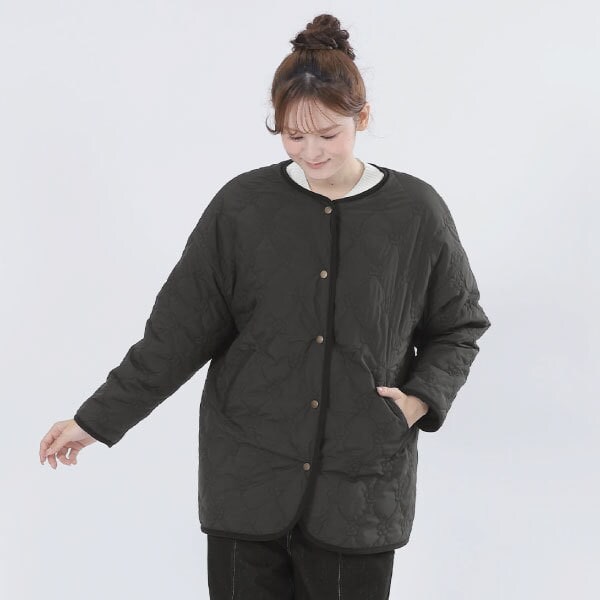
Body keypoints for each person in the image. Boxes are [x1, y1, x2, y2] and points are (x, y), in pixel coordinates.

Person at [39, 13, 491, 600]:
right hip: (247, 478)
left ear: (363, 118)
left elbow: (458, 326)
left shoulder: (416, 211)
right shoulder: (242, 207)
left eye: (328, 134)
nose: (312, 151)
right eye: (293, 136)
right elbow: (176, 334)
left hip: (359, 488)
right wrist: (96, 420)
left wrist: (417, 401)